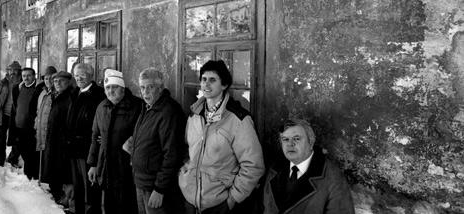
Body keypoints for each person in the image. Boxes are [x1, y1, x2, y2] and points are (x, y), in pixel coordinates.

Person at [179, 60, 265, 214]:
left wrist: (232, 200)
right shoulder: (194, 115)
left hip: (219, 204)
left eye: (212, 80)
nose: (206, 84)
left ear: (224, 85)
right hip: (190, 200)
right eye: (204, 79)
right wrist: (183, 176)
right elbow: (186, 150)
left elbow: (253, 166)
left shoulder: (239, 120)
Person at [261, 119, 354, 214]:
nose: (290, 144)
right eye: (285, 139)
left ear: (311, 142)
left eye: (297, 139)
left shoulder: (333, 177)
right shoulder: (273, 171)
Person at [129, 67, 186, 214]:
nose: (145, 92)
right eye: (142, 87)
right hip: (142, 182)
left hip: (156, 187)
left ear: (160, 88)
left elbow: (172, 154)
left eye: (150, 87)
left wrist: (159, 189)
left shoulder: (168, 111)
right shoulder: (148, 107)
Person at [87, 69, 143, 214]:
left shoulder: (137, 106)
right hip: (106, 165)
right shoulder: (102, 107)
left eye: (114, 87)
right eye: (108, 88)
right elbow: (95, 136)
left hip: (127, 166)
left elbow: (143, 135)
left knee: (128, 205)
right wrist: (93, 164)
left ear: (122, 88)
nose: (110, 91)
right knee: (109, 204)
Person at [66, 63, 105, 214]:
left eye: (82, 75)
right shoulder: (75, 93)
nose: (79, 78)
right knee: (78, 186)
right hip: (73, 148)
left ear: (91, 76)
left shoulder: (98, 95)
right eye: (76, 75)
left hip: (88, 149)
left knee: (91, 187)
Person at [40, 70, 74, 206]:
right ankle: (56, 194)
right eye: (55, 81)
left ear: (68, 82)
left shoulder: (70, 97)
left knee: (62, 170)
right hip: (53, 138)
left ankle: (63, 198)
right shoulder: (56, 95)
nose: (57, 83)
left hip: (63, 141)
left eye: (61, 81)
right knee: (53, 166)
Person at [0, 61, 22, 167]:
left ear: (19, 71)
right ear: (8, 71)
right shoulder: (1, 84)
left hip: (17, 116)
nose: (12, 72)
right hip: (3, 115)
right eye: (10, 70)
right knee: (0, 137)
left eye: (15, 70)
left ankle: (13, 159)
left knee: (17, 138)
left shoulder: (22, 84)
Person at [12, 67, 44, 180]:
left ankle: (31, 174)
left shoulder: (38, 89)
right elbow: (15, 106)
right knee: (21, 148)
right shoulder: (18, 88)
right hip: (18, 125)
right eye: (24, 75)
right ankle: (29, 171)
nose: (26, 78)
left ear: (34, 76)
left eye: (29, 75)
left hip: (31, 126)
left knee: (31, 151)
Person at [35, 66, 57, 180]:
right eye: (46, 78)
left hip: (50, 130)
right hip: (40, 128)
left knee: (51, 158)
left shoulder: (56, 94)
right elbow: (39, 111)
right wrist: (36, 124)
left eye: (51, 79)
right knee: (43, 155)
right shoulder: (43, 92)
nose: (48, 81)